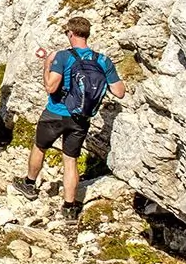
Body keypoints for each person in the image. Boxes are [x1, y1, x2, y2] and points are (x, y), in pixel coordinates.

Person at [12, 15, 124, 215]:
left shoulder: (63, 57)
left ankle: (29, 184)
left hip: (55, 112)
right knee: (70, 159)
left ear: (70, 33)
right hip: (81, 118)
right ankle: (69, 208)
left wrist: (47, 66)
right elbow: (119, 92)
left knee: (39, 147)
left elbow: (50, 86)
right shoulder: (103, 60)